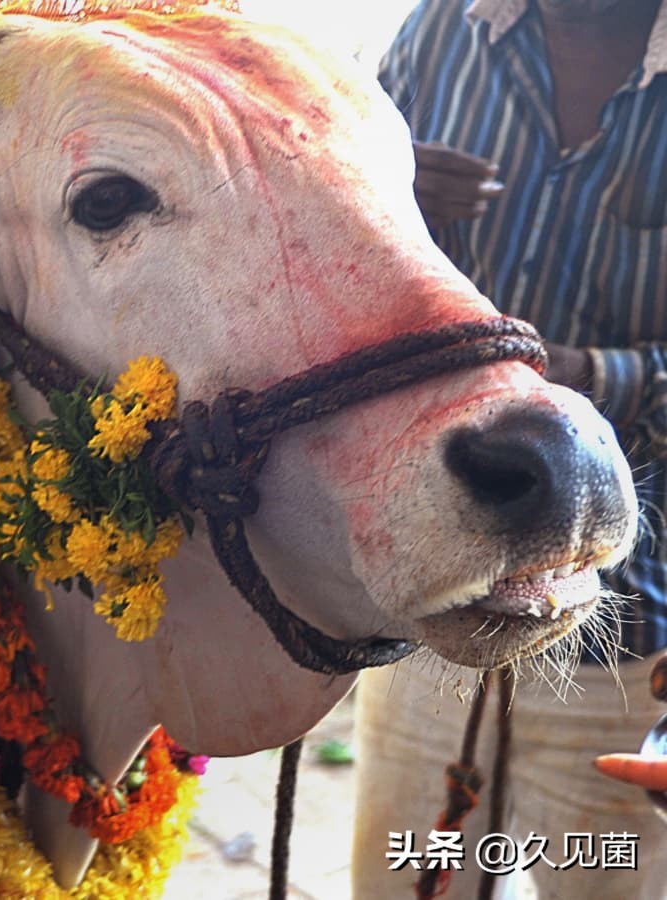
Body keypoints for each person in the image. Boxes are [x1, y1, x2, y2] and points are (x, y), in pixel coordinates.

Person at [351, 0, 667, 896]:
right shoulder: (443, 29)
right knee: (408, 876)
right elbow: (326, 245)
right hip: (430, 588)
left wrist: (582, 377)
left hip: (630, 626)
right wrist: (390, 186)